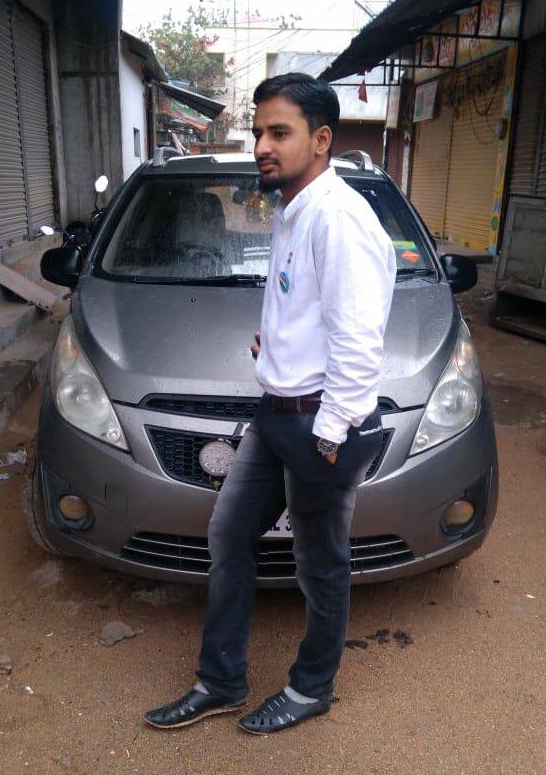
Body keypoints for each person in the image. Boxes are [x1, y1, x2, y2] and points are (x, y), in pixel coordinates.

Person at [144, 73, 397, 735]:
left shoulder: (338, 218)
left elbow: (358, 341)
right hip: (277, 411)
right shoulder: (293, 208)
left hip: (321, 426)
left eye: (278, 132)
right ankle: (221, 681)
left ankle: (311, 688)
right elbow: (306, 307)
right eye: (258, 131)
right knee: (229, 534)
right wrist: (277, 347)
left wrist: (330, 434)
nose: (262, 145)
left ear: (321, 139)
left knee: (320, 566)